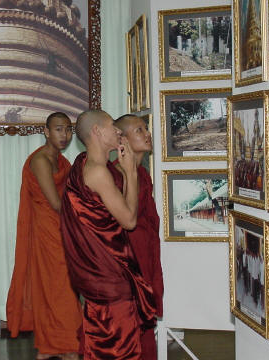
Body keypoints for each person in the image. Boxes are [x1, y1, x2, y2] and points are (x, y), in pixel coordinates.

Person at [61, 110, 157, 360]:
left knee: (101, 346)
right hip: (109, 278)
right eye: (112, 126)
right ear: (97, 132)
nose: (117, 132)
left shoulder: (83, 163)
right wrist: (131, 173)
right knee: (119, 348)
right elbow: (128, 220)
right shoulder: (98, 172)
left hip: (100, 275)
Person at [6, 112, 82, 360]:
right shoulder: (40, 160)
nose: (65, 135)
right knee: (58, 288)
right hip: (49, 231)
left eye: (68, 130)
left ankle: (57, 346)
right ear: (46, 131)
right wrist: (87, 217)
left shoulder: (62, 161)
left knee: (62, 288)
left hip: (62, 229)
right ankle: (63, 346)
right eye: (59, 130)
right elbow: (57, 203)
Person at [114, 114, 164, 360]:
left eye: (146, 128)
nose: (147, 134)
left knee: (144, 323)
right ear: (121, 139)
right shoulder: (115, 174)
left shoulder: (142, 174)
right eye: (139, 130)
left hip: (145, 254)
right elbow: (123, 220)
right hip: (127, 261)